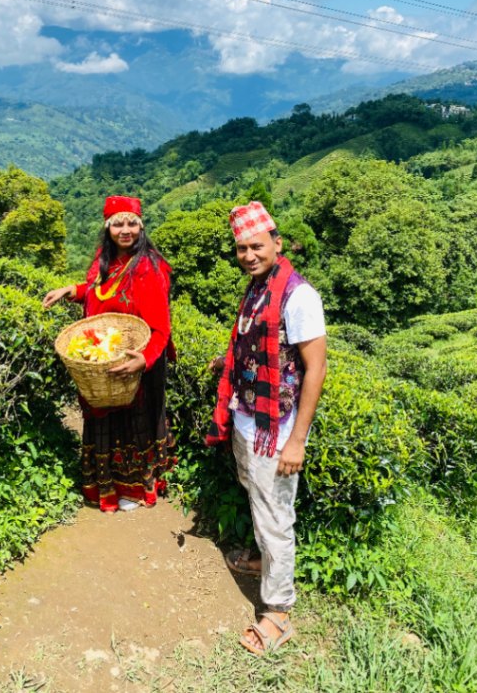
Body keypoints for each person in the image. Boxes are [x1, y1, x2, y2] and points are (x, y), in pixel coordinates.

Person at [206, 201, 326, 656]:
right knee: (257, 498)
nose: (249, 254)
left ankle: (278, 612)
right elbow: (258, 344)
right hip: (247, 417)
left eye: (257, 245)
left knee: (276, 516)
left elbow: (315, 370)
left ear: (277, 242)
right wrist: (230, 362)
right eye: (241, 248)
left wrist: (297, 441)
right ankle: (262, 561)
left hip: (276, 430)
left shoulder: (298, 296)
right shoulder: (259, 287)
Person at [43, 195, 175, 514]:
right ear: (108, 227)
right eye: (118, 224)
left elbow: (161, 327)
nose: (125, 230)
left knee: (133, 424)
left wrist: (145, 359)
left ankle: (135, 488)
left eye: (132, 223)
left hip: (138, 360)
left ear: (141, 227)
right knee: (106, 421)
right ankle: (108, 488)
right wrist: (71, 291)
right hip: (104, 358)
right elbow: (98, 290)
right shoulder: (105, 258)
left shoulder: (149, 267)